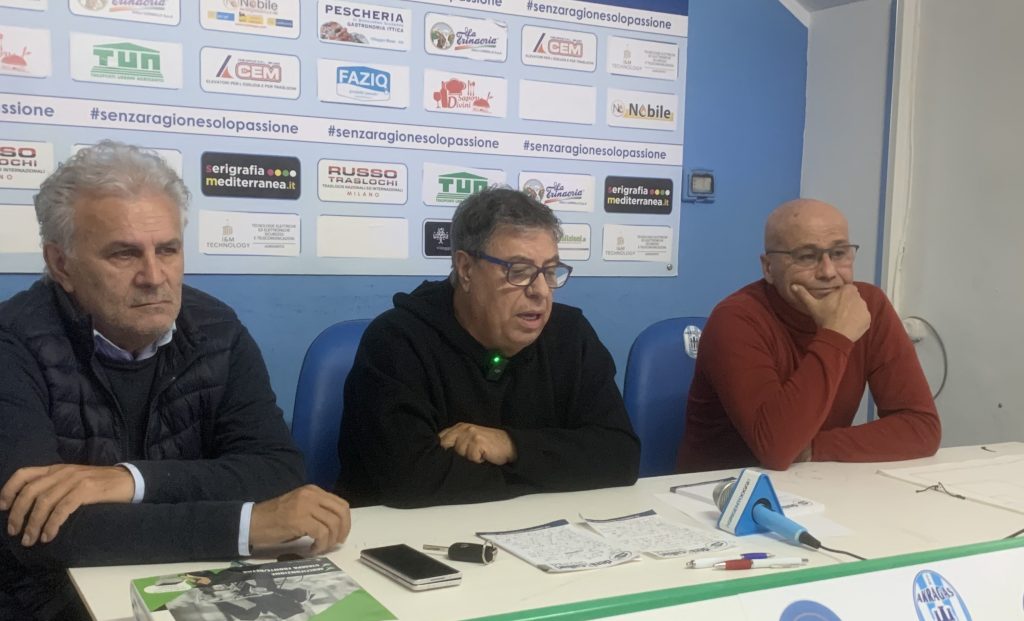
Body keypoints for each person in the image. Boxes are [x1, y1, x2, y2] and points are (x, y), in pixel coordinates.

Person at [0, 141, 351, 621]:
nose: (154, 276)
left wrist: (130, 481)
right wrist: (245, 525)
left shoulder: (217, 330)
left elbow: (276, 470)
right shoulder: (12, 342)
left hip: (191, 584)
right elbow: (39, 531)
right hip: (46, 600)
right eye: (124, 254)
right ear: (62, 264)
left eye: (168, 249)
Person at [337, 187, 640, 507]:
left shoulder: (570, 334)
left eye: (550, 272)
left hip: (540, 527)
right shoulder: (397, 341)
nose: (540, 291)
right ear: (466, 269)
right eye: (519, 272)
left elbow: (620, 456)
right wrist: (556, 466)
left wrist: (511, 446)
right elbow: (411, 482)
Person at [677, 198, 941, 473]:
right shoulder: (735, 319)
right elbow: (776, 448)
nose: (828, 272)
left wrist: (813, 447)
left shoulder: (869, 305)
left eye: (839, 253)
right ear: (768, 268)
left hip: (814, 480)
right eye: (806, 256)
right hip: (721, 488)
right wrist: (837, 334)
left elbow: (922, 428)